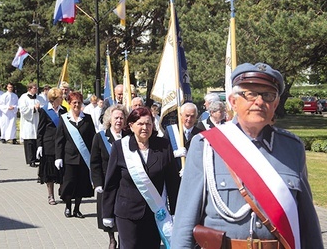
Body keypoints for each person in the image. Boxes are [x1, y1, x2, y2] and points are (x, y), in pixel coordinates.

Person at [171, 63, 323, 248]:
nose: (259, 102)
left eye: (268, 95)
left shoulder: (292, 148)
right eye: (250, 94)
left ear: (275, 104)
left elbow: (308, 224)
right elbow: (185, 221)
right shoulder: (206, 145)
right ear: (233, 101)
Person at [102, 107, 180, 248]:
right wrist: (107, 213)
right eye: (140, 124)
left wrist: (175, 211)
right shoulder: (120, 147)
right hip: (127, 213)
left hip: (155, 213)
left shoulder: (163, 146)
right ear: (131, 126)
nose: (145, 128)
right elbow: (111, 183)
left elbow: (172, 182)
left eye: (148, 124)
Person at [90, 104, 128, 249]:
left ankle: (122, 238)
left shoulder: (129, 137)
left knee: (123, 213)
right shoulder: (100, 137)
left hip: (124, 183)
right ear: (109, 119)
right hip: (106, 182)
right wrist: (97, 183)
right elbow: (95, 162)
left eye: (121, 118)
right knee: (108, 212)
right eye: (116, 118)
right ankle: (112, 239)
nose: (119, 120)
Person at [55, 91, 96, 218]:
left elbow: (92, 139)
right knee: (69, 184)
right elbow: (59, 140)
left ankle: (77, 209)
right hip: (69, 158)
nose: (77, 105)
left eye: (79, 102)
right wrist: (58, 157)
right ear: (69, 103)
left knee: (81, 185)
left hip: (84, 159)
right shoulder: (64, 118)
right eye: (74, 103)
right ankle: (68, 207)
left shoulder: (87, 119)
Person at [36, 88, 67, 205]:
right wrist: (39, 146)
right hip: (48, 145)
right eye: (60, 97)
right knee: (49, 173)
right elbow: (40, 130)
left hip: (61, 145)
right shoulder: (44, 111)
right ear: (54, 99)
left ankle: (63, 191)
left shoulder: (63, 110)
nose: (62, 99)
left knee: (62, 171)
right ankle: (50, 195)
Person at [19, 82, 45, 167]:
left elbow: (45, 107)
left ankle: (38, 157)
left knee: (37, 139)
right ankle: (31, 159)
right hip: (28, 122)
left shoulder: (40, 98)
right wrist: (33, 108)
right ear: (29, 89)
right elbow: (22, 109)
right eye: (35, 88)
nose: (36, 89)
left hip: (38, 121)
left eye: (37, 88)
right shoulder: (23, 97)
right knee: (29, 141)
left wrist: (40, 108)